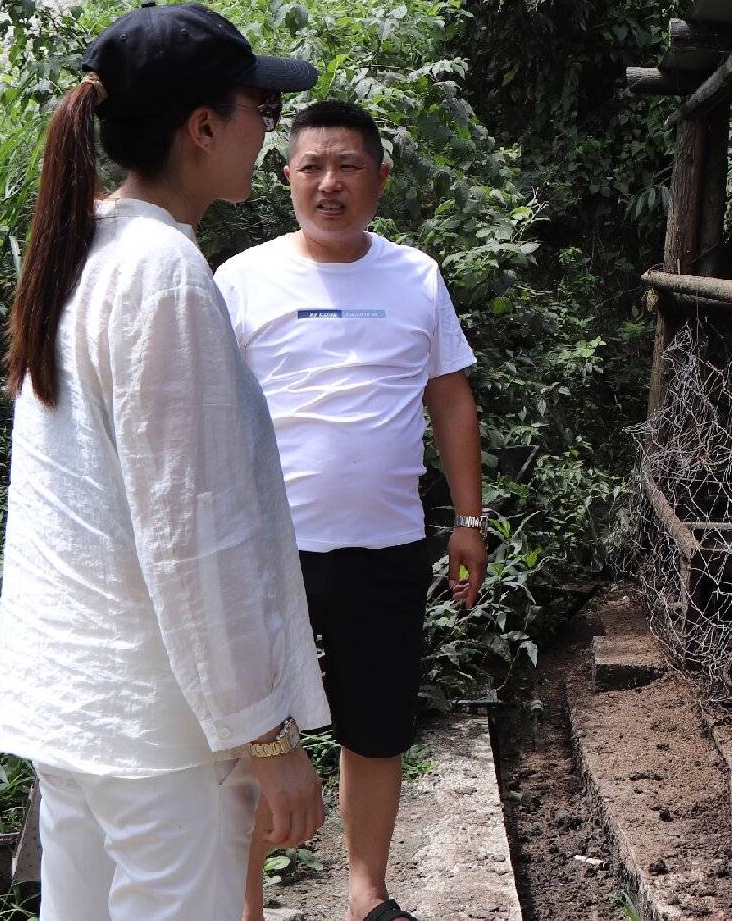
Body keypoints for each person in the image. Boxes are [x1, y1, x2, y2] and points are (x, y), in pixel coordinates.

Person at [0, 3, 330, 921]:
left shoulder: (84, 246)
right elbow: (192, 535)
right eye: (256, 103)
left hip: (78, 709)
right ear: (204, 126)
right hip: (159, 734)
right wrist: (267, 735)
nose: (269, 126)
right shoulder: (164, 275)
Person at [215, 99, 488, 921]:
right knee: (259, 735)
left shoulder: (417, 275)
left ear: (380, 177)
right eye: (311, 167)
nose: (329, 183)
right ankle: (244, 904)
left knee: (377, 727)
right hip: (269, 552)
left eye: (348, 167)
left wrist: (469, 523)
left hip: (386, 546)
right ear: (286, 177)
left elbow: (450, 400)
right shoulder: (241, 277)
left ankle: (366, 894)